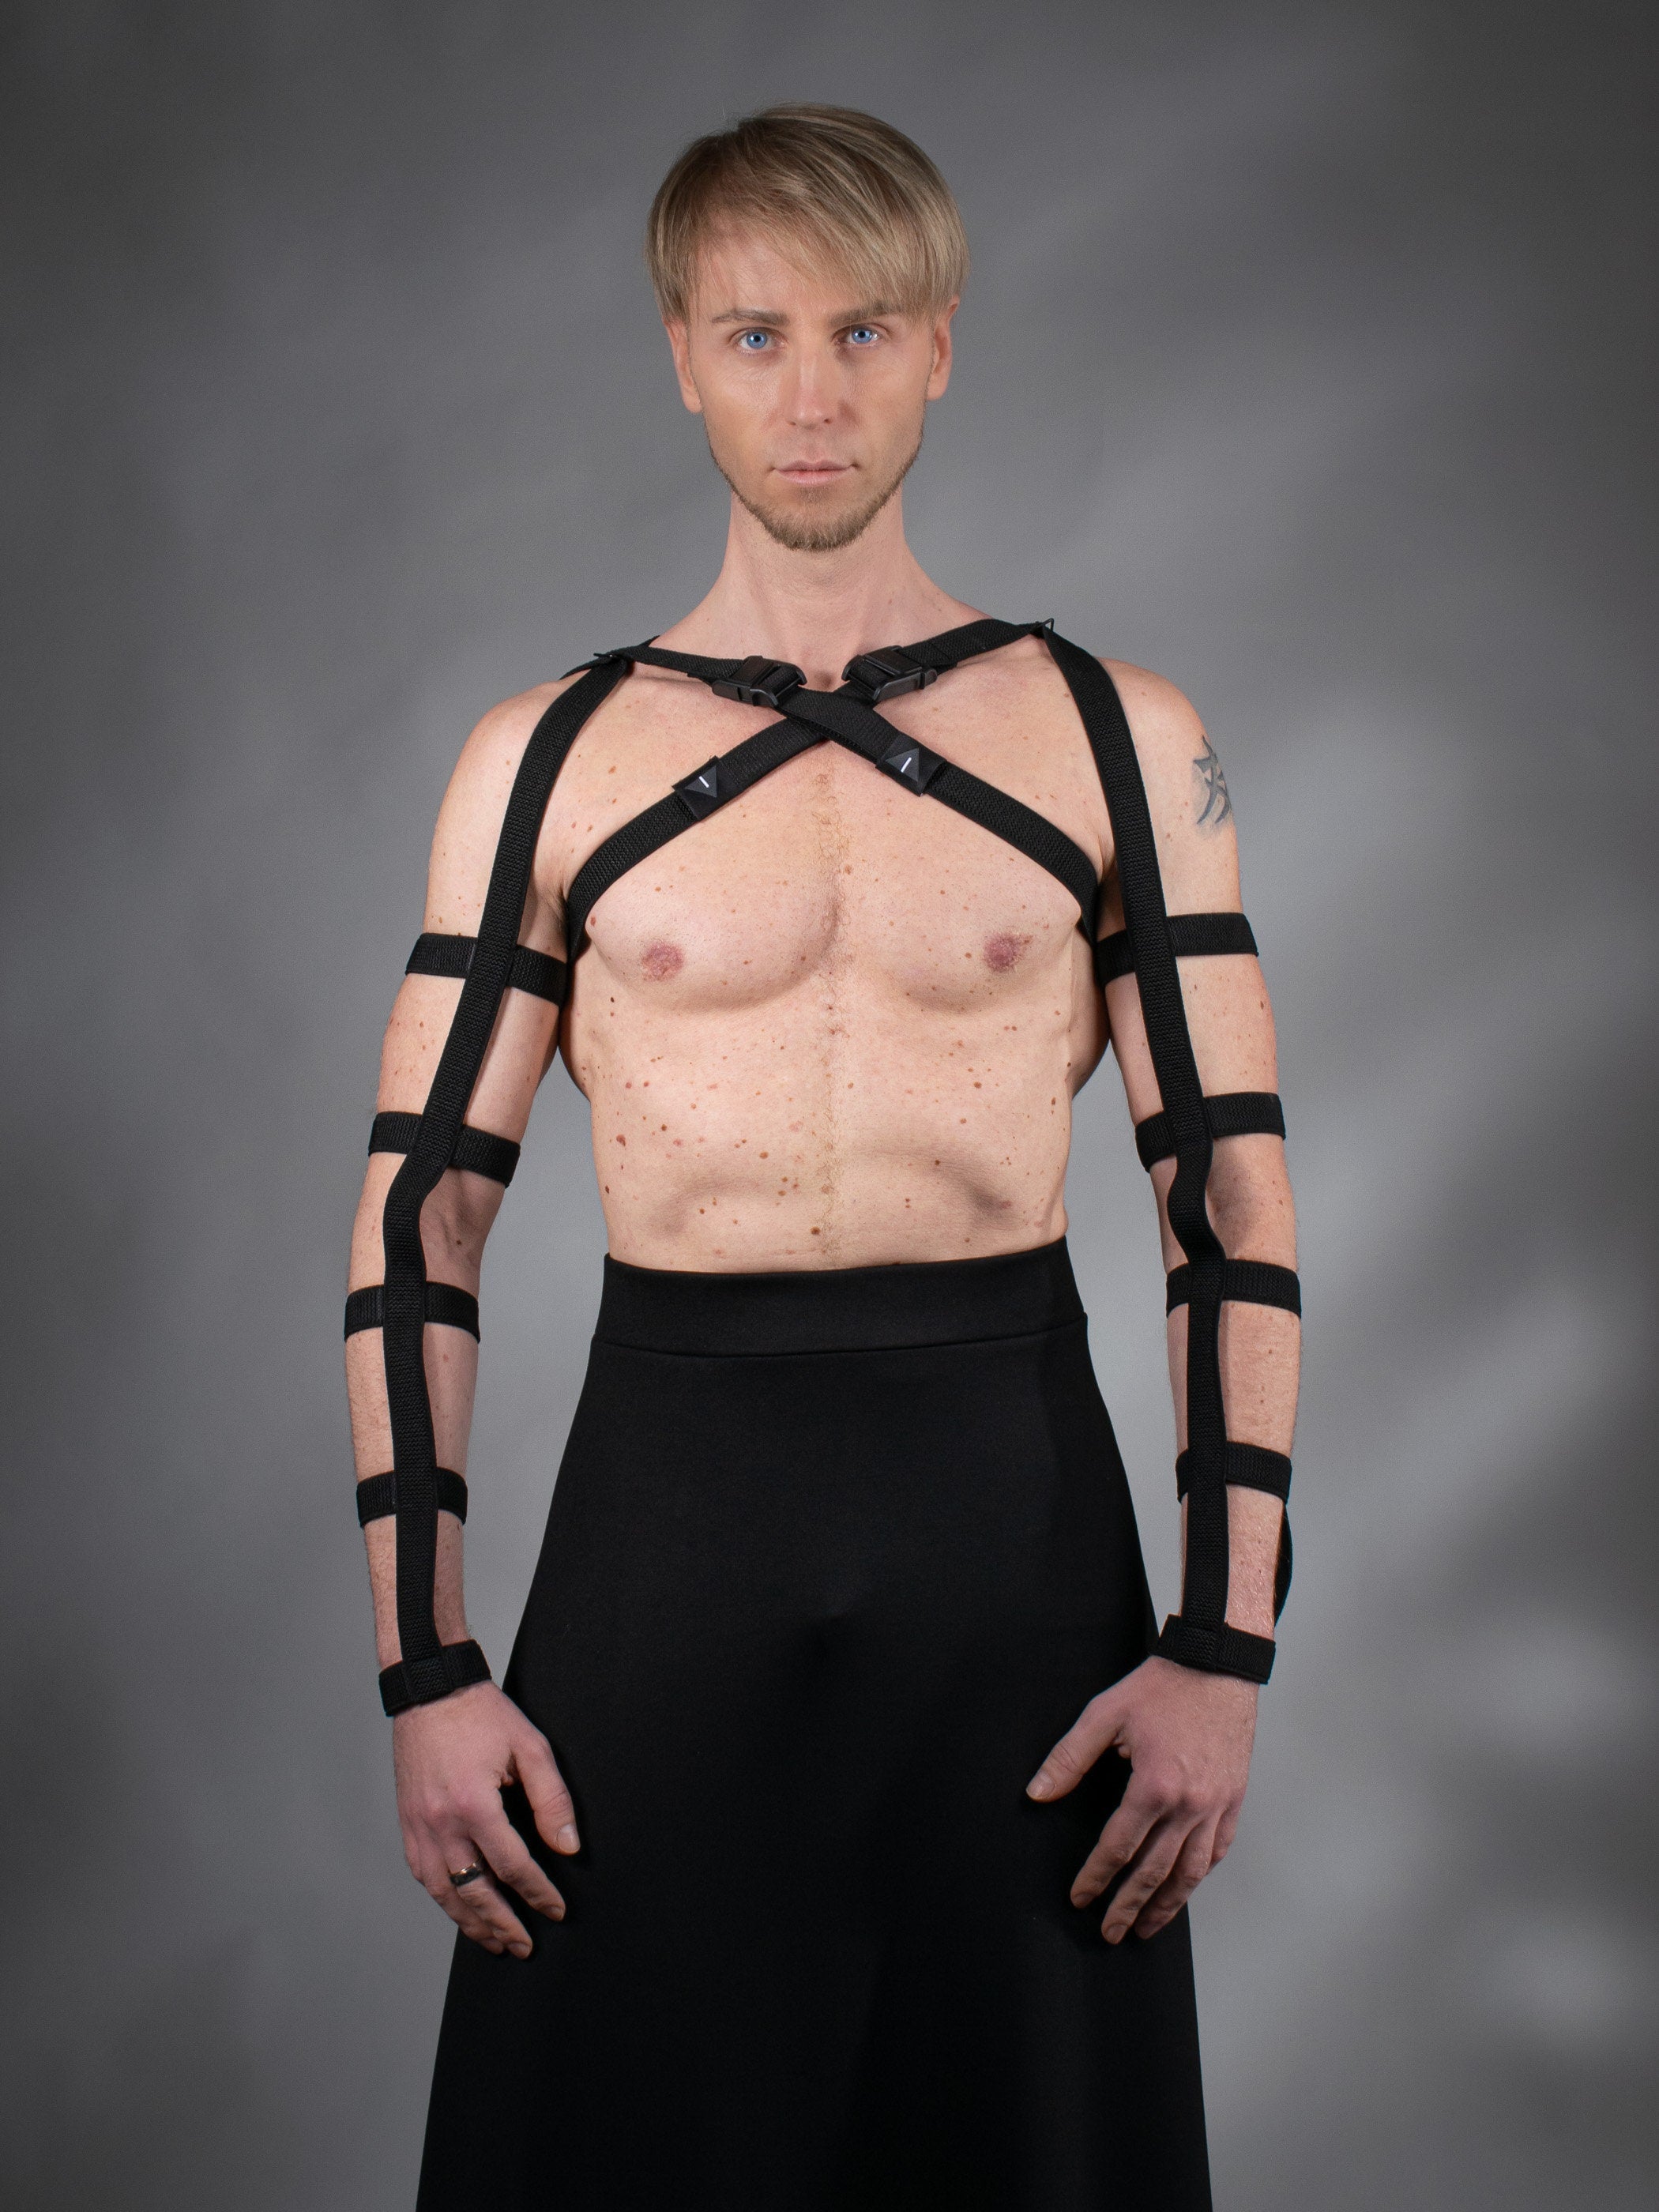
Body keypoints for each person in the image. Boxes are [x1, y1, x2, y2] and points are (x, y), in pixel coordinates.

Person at [344, 104, 1300, 2211]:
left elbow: (1224, 1199)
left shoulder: (1119, 737)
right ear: (680, 357)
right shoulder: (546, 758)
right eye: (754, 335)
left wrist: (1224, 1653)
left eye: (863, 331)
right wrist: (426, 1673)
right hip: (667, 1539)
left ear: (939, 346)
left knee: (1037, 2157)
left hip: (1011, 1546)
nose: (810, 395)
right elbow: (426, 1216)